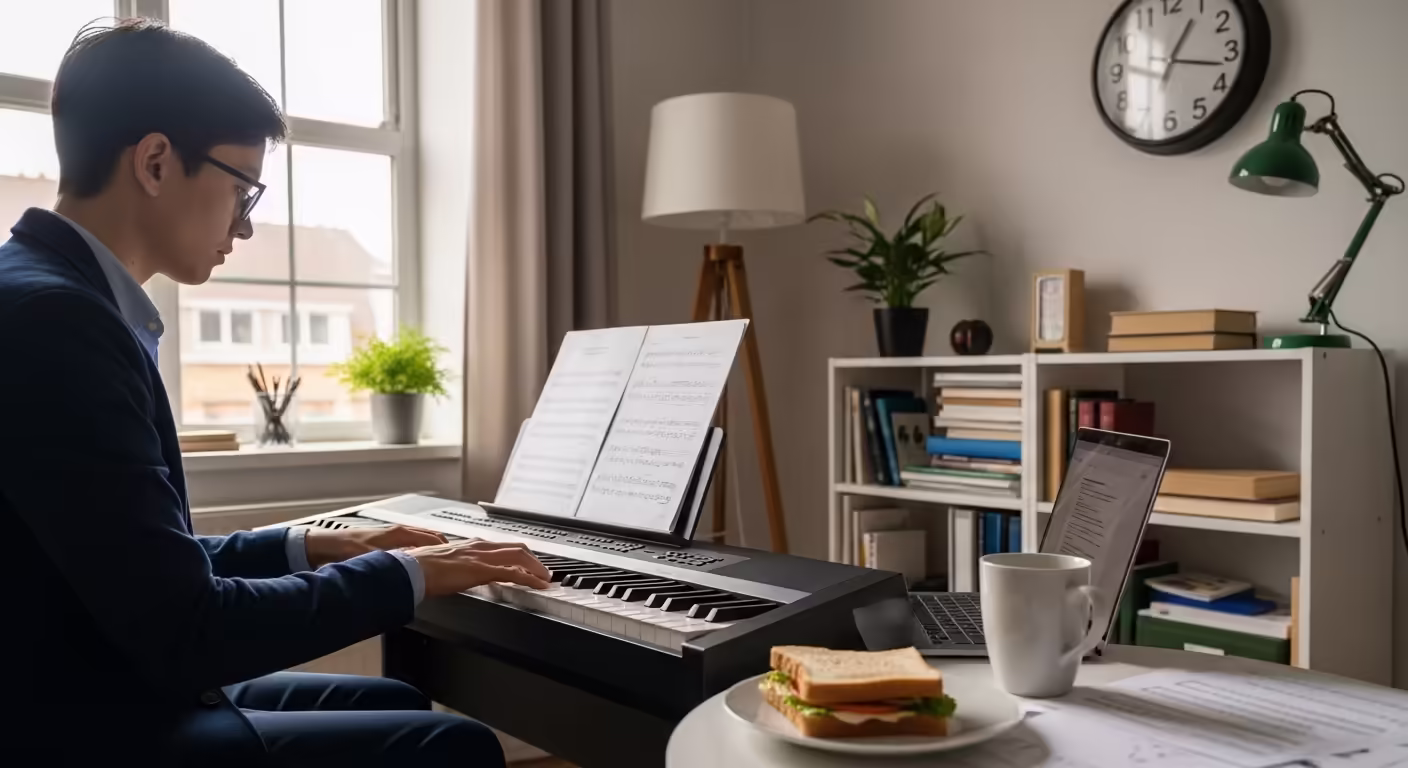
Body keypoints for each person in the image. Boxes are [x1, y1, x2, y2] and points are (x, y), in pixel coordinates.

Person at [0, 18, 551, 768]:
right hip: (75, 721)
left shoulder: (49, 294)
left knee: (393, 702)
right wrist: (410, 574)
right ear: (156, 162)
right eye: (241, 189)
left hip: (93, 674)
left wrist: (315, 544)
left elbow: (136, 557)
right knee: (452, 745)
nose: (246, 227)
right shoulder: (56, 321)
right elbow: (191, 628)